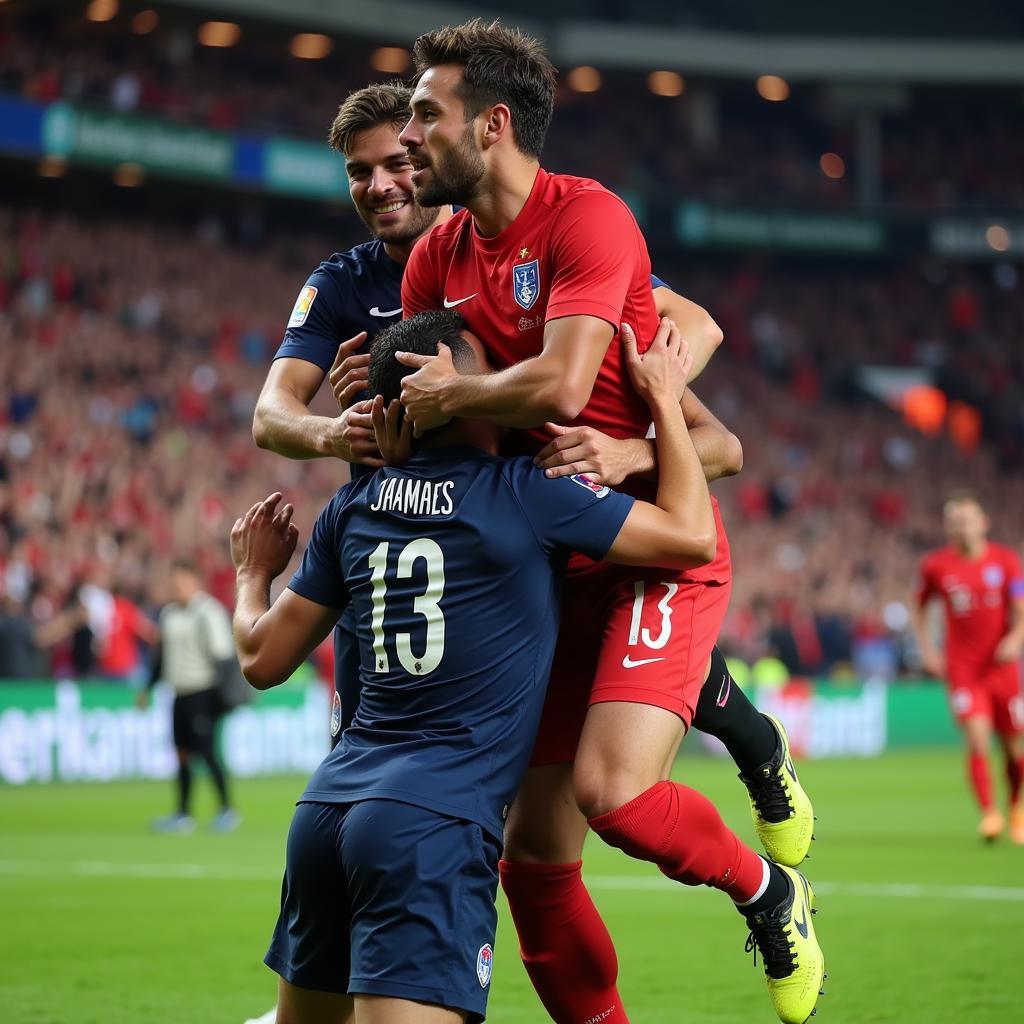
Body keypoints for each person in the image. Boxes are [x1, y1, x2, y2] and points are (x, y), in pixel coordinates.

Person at [396, 20, 820, 1024]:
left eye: (424, 114)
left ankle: (770, 894)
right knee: (533, 861)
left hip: (655, 551)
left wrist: (626, 448)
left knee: (614, 795)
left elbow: (574, 382)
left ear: (492, 125)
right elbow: (427, 411)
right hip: (546, 569)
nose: (408, 138)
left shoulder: (588, 222)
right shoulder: (433, 259)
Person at [231, 309, 721, 1024]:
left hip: (323, 817)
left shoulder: (353, 505)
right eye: (489, 369)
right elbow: (692, 535)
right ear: (450, 389)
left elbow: (259, 658)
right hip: (431, 824)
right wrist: (665, 403)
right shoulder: (527, 490)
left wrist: (252, 576)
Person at [252, 83, 728, 746]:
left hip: (514, 535)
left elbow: (697, 327)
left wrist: (629, 422)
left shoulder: (538, 258)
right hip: (403, 545)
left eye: (399, 160)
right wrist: (341, 431)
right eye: (360, 172)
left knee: (532, 754)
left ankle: (741, 727)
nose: (384, 184)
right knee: (376, 759)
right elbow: (269, 416)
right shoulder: (341, 284)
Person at [913, 490, 1024, 843]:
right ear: (948, 527)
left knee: (1014, 749)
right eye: (955, 522)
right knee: (977, 739)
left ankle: (1017, 807)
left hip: (1002, 670)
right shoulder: (936, 566)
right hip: (964, 671)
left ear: (983, 523)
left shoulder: (1006, 563)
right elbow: (918, 607)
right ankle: (990, 814)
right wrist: (928, 649)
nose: (961, 527)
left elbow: (1021, 610)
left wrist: (1015, 640)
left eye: (967, 520)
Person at [138, 560, 240, 833]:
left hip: (203, 692)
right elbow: (161, 658)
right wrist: (147, 688)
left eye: (179, 581)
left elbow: (223, 657)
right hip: (178, 693)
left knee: (206, 753)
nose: (175, 587)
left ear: (195, 582)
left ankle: (227, 810)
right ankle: (183, 814)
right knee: (181, 754)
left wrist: (223, 698)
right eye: (173, 582)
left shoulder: (208, 612)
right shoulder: (168, 614)